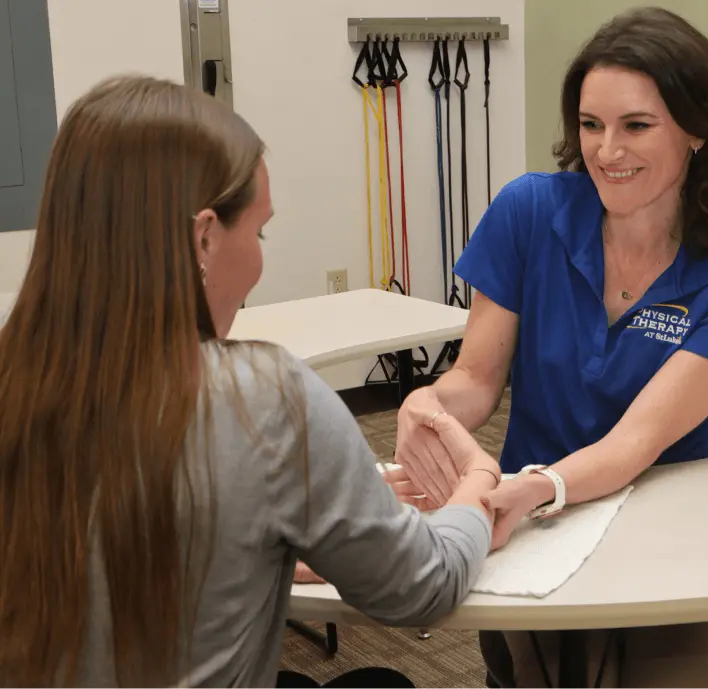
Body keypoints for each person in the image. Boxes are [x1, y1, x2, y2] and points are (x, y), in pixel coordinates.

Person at [0, 76, 504, 689]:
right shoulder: (260, 397)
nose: (261, 263)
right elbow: (423, 585)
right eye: (259, 232)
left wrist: (274, 547)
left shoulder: (20, 378)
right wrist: (478, 485)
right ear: (204, 238)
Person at [389, 7, 708, 688]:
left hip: (670, 528)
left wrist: (541, 487)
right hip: (534, 526)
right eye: (591, 125)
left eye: (636, 125)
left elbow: (637, 442)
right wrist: (426, 403)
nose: (607, 151)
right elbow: (476, 379)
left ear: (696, 130)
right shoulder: (529, 213)